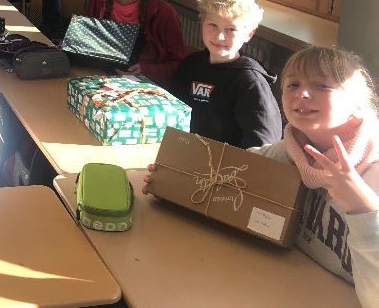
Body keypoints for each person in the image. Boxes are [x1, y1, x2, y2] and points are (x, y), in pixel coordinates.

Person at [147, 45, 379, 307]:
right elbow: (231, 169)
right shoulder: (291, 149)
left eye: (322, 85)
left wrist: (364, 209)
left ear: (356, 103)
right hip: (285, 285)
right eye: (293, 84)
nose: (302, 93)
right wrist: (174, 181)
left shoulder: (373, 176)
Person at [171, 0, 282, 147]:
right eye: (213, 25)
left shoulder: (250, 82)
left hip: (225, 160)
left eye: (230, 29)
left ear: (249, 34)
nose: (219, 35)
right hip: (183, 150)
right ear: (202, 23)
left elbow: (262, 144)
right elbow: (172, 111)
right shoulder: (190, 65)